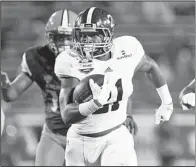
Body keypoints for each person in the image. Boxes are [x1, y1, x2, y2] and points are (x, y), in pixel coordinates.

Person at [54, 7, 174, 166]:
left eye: (93, 35)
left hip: (115, 134)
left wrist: (166, 101)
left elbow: (149, 67)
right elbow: (67, 115)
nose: (86, 42)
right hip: (80, 140)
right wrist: (94, 104)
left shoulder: (126, 49)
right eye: (82, 35)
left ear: (108, 35)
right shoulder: (70, 61)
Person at [1, 9, 78, 166]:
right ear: (49, 37)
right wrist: (5, 86)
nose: (63, 44)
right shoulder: (38, 58)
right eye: (59, 38)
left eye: (68, 38)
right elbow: (12, 93)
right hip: (54, 133)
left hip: (85, 133)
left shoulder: (94, 61)